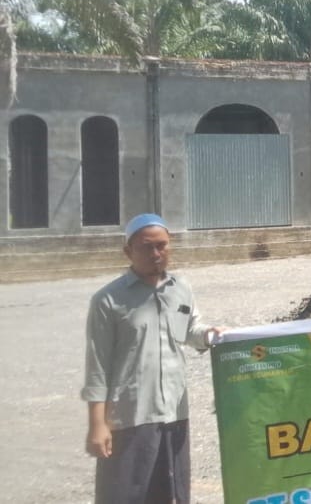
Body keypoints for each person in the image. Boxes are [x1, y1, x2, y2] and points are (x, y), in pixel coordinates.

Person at [82, 214, 225, 504]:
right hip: (131, 416)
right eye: (147, 247)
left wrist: (210, 334)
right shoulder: (108, 300)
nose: (156, 254)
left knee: (171, 494)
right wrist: (98, 424)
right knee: (124, 495)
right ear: (128, 251)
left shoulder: (181, 288)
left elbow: (190, 330)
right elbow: (97, 366)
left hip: (174, 413)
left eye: (162, 246)